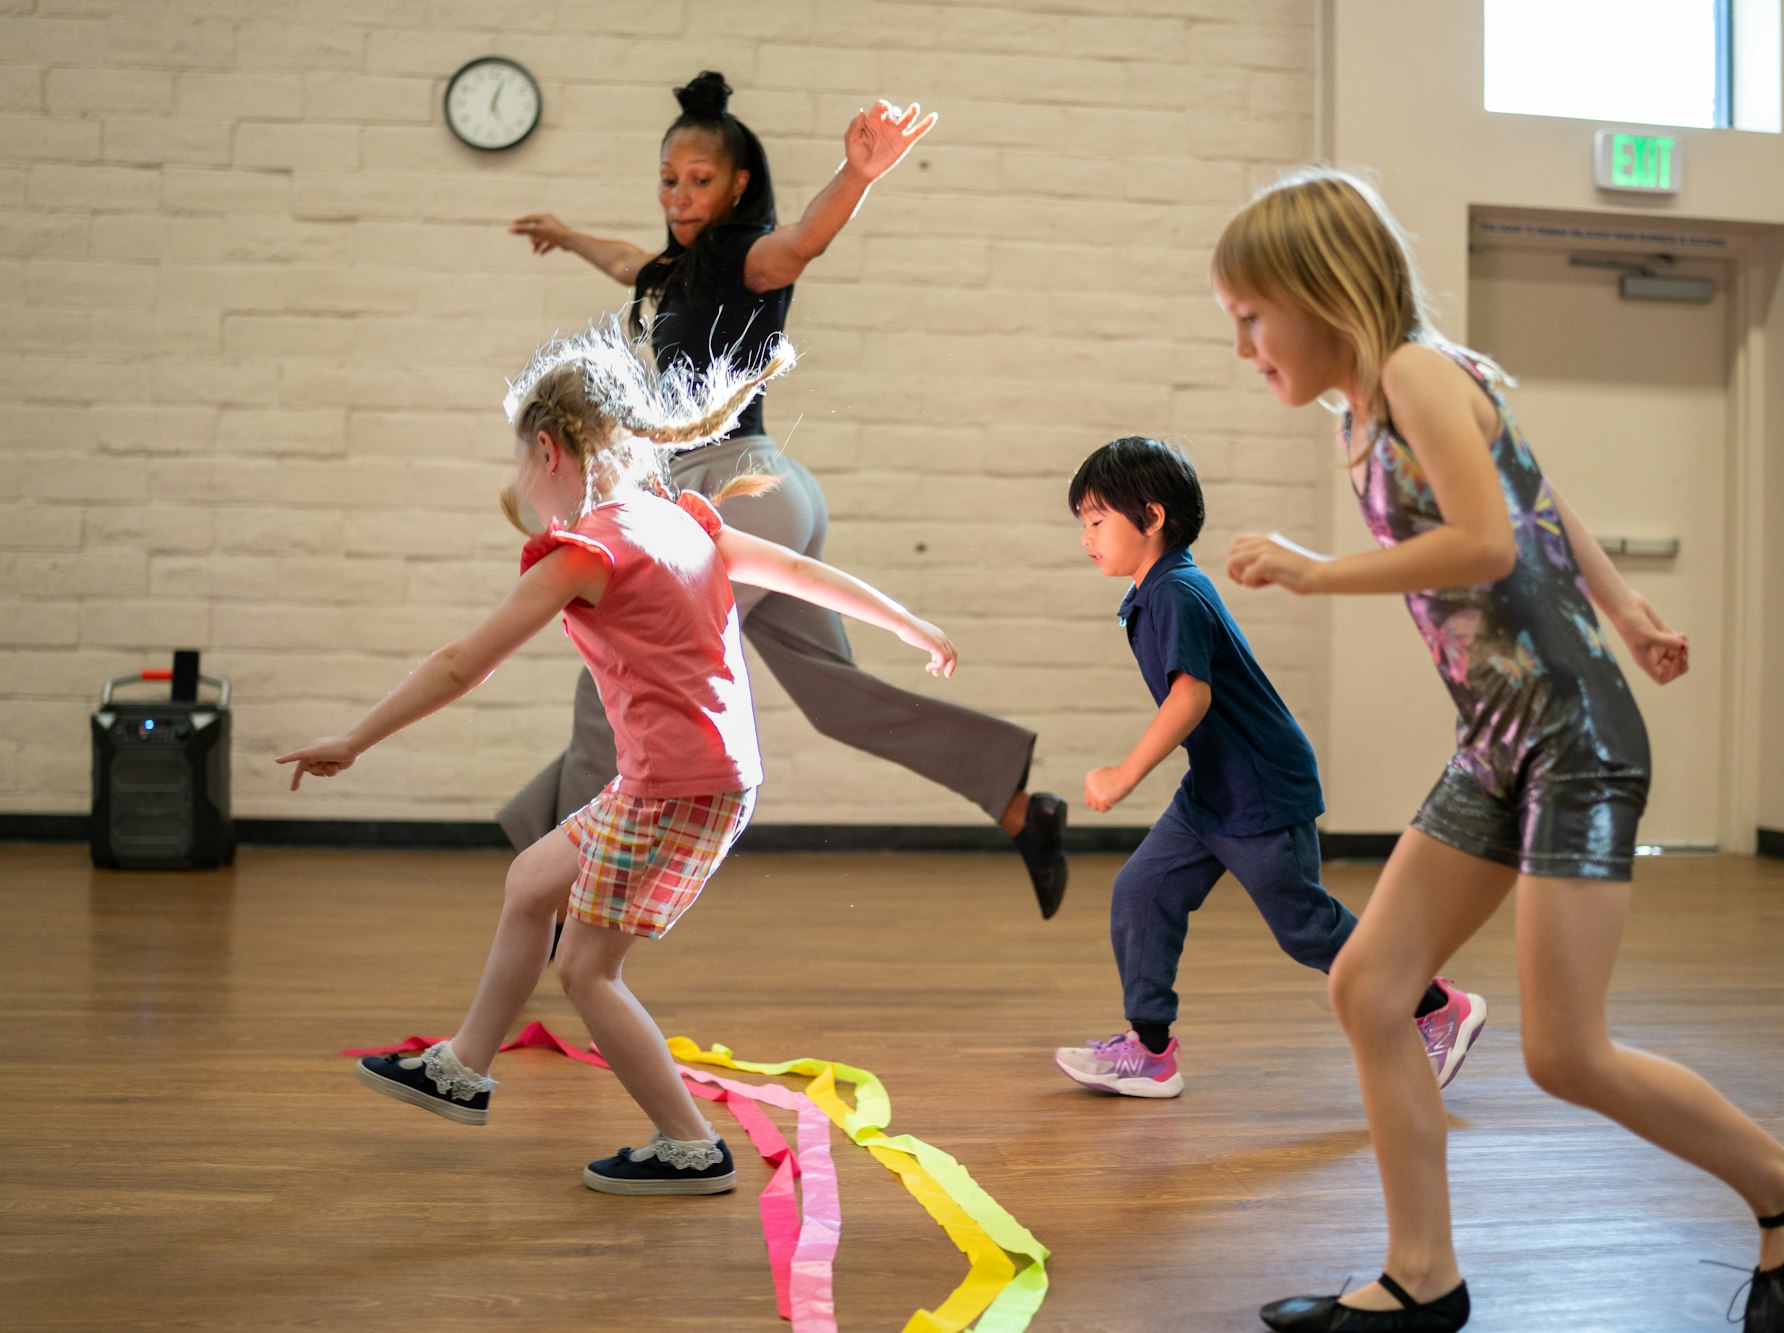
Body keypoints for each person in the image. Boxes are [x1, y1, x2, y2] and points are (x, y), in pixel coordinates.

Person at [1213, 167, 1784, 1333]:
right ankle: (1421, 1277)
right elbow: (1539, 495)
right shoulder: (1366, 409)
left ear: (1316, 290)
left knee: (1563, 1049)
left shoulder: (1413, 373)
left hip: (1573, 744)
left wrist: (1314, 569)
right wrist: (1629, 608)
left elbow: (1491, 540)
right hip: (1496, 744)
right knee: (1370, 987)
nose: (1244, 345)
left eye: (1252, 317)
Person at [278, 324, 960, 1196]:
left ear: (551, 449)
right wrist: (913, 625)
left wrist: (353, 739)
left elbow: (463, 661)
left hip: (675, 788)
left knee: (587, 970)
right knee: (532, 881)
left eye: (523, 461)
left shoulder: (589, 552)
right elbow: (800, 572)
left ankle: (690, 1145)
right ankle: (463, 1066)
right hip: (697, 779)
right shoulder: (681, 522)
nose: (522, 483)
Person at [507, 70, 1067, 917]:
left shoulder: (746, 257)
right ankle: (1020, 803)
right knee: (834, 695)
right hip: (761, 488)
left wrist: (859, 175)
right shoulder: (671, 271)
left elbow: (803, 241)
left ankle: (562, 887)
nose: (682, 195)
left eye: (701, 181)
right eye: (669, 179)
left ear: (736, 185)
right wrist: (567, 234)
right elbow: (630, 261)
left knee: (610, 678)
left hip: (739, 485)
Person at [1051, 436, 1483, 1100]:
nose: (1087, 536)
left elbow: (1191, 695)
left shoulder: (1177, 593)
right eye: (1083, 522)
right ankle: (1151, 1050)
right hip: (1214, 790)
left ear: (1153, 516)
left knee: (1305, 926)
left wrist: (1124, 774)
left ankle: (1434, 1005)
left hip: (1259, 788)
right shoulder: (1156, 592)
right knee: (1143, 890)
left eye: (1097, 519)